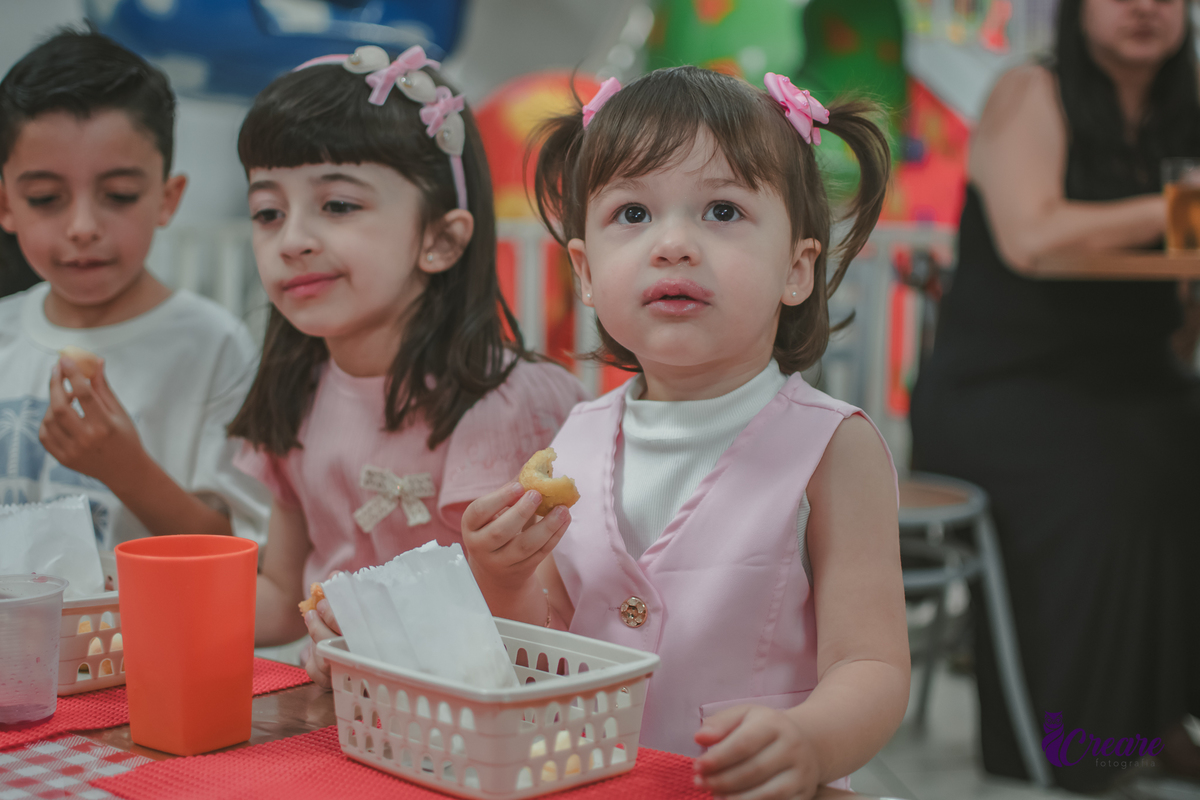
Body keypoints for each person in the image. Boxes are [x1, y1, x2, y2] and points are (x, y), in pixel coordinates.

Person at [461, 66, 910, 798]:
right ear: (585, 272)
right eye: (633, 214)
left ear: (797, 269)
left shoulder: (833, 448)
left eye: (722, 211)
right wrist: (503, 579)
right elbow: (545, 643)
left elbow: (873, 665)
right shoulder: (574, 439)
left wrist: (811, 740)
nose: (672, 244)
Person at [910, 0, 1200, 791]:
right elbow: (1031, 236)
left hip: (1135, 380)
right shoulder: (1032, 91)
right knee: (1112, 474)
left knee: (1173, 450)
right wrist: (1177, 209)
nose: (1145, 6)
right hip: (1006, 384)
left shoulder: (1185, 111)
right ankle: (1082, 743)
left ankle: (1159, 719)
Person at [233, 46, 590, 679]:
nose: (292, 241)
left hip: (473, 713)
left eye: (338, 205)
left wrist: (377, 634)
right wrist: (141, 603)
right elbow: (284, 600)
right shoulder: (296, 389)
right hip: (343, 713)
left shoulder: (504, 404)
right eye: (268, 212)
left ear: (441, 239)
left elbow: (541, 629)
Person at [0, 29, 269, 549]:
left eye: (119, 195)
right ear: (6, 205)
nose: (82, 227)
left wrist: (128, 472)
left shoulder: (214, 347)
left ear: (167, 198)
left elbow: (241, 557)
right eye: (46, 197)